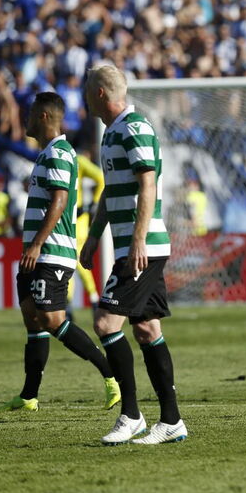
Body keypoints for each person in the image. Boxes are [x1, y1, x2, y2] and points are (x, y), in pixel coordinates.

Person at [80, 64, 187, 445]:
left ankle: (131, 415)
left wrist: (138, 240)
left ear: (100, 93)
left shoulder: (135, 127)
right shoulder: (112, 133)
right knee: (147, 329)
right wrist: (94, 236)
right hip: (134, 245)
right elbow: (112, 191)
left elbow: (148, 184)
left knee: (106, 323)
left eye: (87, 90)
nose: (84, 96)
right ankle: (171, 421)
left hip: (143, 247)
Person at [7, 92, 120, 412]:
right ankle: (29, 396)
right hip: (36, 252)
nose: (26, 119)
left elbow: (59, 201)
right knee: (32, 318)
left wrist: (37, 244)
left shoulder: (59, 153)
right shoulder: (47, 154)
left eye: (31, 113)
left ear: (43, 117)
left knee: (52, 318)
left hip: (51, 251)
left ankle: (112, 376)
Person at [67, 148, 104, 308]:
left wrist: (93, 205)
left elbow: (101, 178)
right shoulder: (77, 161)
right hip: (70, 219)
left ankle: (71, 304)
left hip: (77, 220)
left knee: (72, 261)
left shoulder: (76, 161)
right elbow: (100, 179)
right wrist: (93, 204)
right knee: (70, 261)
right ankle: (92, 298)